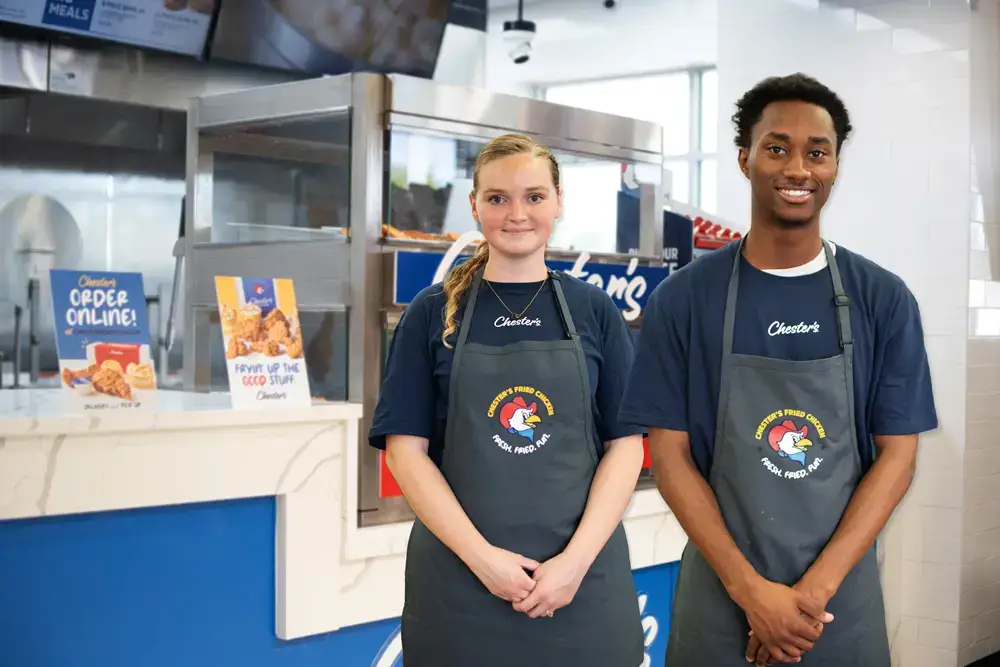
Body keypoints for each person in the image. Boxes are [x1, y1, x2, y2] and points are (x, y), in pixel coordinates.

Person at [619, 73, 938, 666]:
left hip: (836, 606)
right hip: (722, 601)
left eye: (817, 152)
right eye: (777, 148)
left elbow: (898, 455)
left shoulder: (882, 299)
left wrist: (811, 595)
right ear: (745, 159)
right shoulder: (685, 300)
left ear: (835, 165)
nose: (798, 168)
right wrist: (751, 594)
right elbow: (668, 454)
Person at [369, 133, 646, 667]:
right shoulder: (430, 313)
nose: (516, 213)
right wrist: (484, 561)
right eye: (497, 198)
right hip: (461, 586)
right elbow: (405, 452)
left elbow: (626, 447)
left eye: (534, 197)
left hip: (582, 583)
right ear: (474, 205)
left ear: (558, 202)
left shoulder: (595, 311)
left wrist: (573, 563)